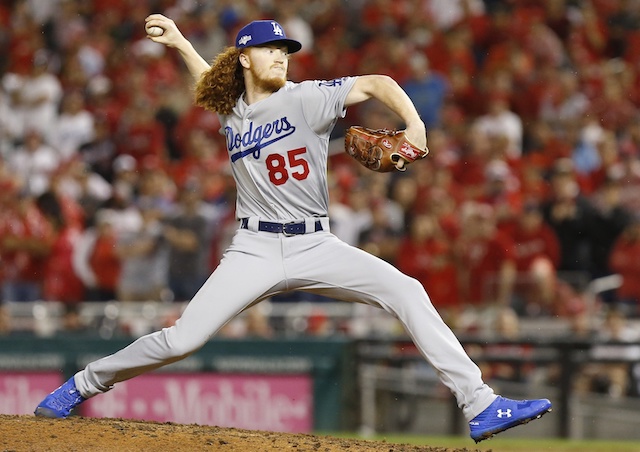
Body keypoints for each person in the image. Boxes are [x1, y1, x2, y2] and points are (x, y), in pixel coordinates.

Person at [34, 14, 551, 443]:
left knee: (406, 290)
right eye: (268, 49)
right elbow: (206, 82)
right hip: (254, 249)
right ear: (244, 58)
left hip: (314, 243)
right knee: (181, 340)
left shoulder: (307, 97)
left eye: (285, 49)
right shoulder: (232, 110)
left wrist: (414, 124)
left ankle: (480, 403)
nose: (280, 55)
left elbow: (378, 83)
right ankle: (81, 384)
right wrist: (181, 43)